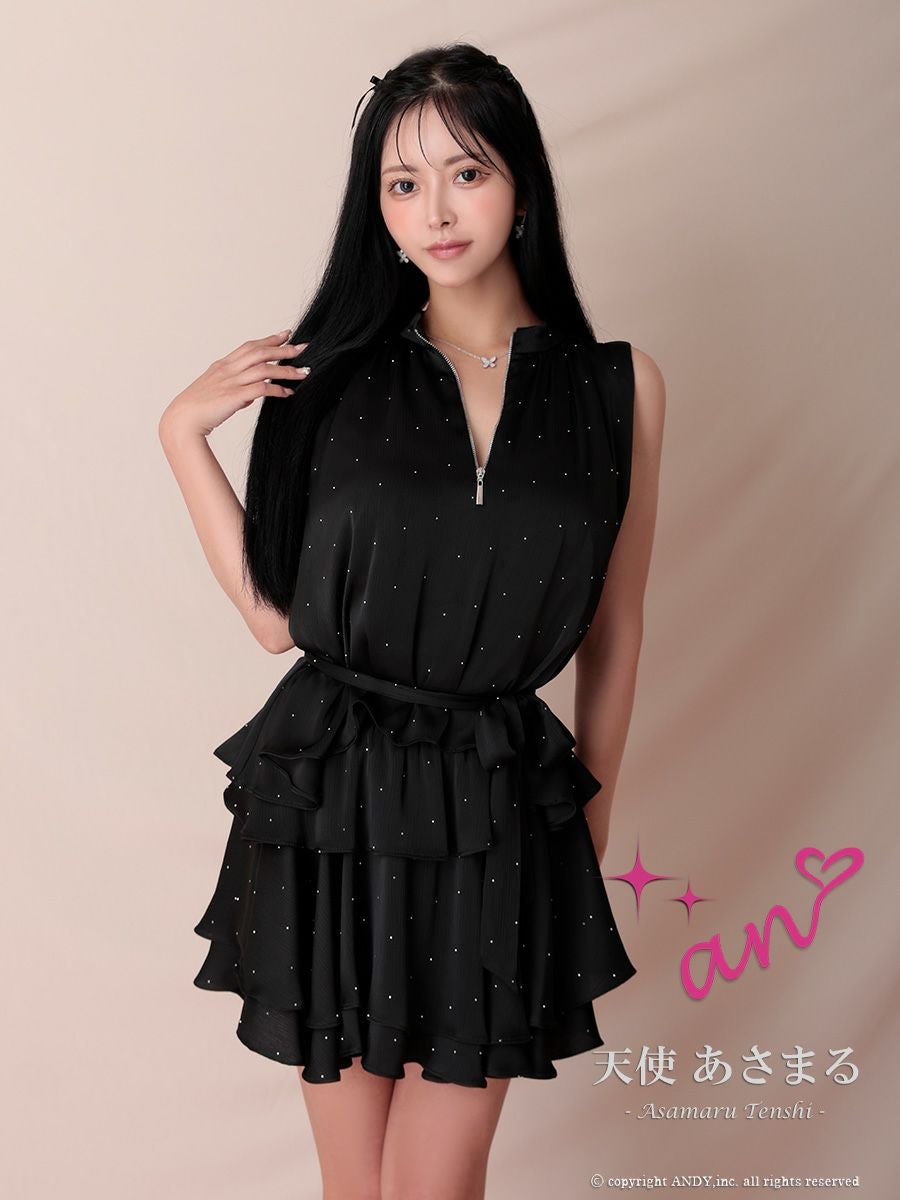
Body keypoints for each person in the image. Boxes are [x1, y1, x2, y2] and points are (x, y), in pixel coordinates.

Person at [159, 42, 665, 1200]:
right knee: (360, 1185)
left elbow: (618, 626)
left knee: (437, 1180)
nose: (435, 209)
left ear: (522, 185)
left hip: (500, 801)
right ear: (377, 209)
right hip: (334, 796)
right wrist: (181, 435)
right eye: (402, 183)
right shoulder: (328, 377)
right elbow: (276, 624)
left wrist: (591, 824)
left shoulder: (617, 387)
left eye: (466, 172)